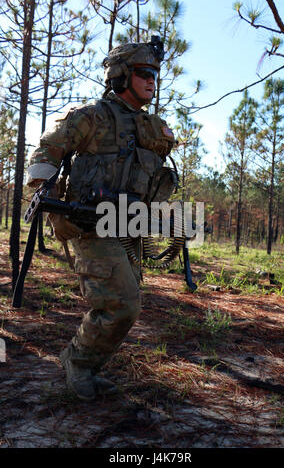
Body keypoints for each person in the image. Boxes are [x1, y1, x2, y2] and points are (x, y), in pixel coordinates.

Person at [25, 36, 176, 401]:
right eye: (143, 73)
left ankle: (86, 366)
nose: (151, 81)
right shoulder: (90, 117)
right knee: (121, 304)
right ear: (121, 76)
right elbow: (43, 154)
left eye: (155, 74)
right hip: (91, 224)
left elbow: (157, 179)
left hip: (130, 227)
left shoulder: (152, 127)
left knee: (125, 306)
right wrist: (46, 193)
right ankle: (77, 363)